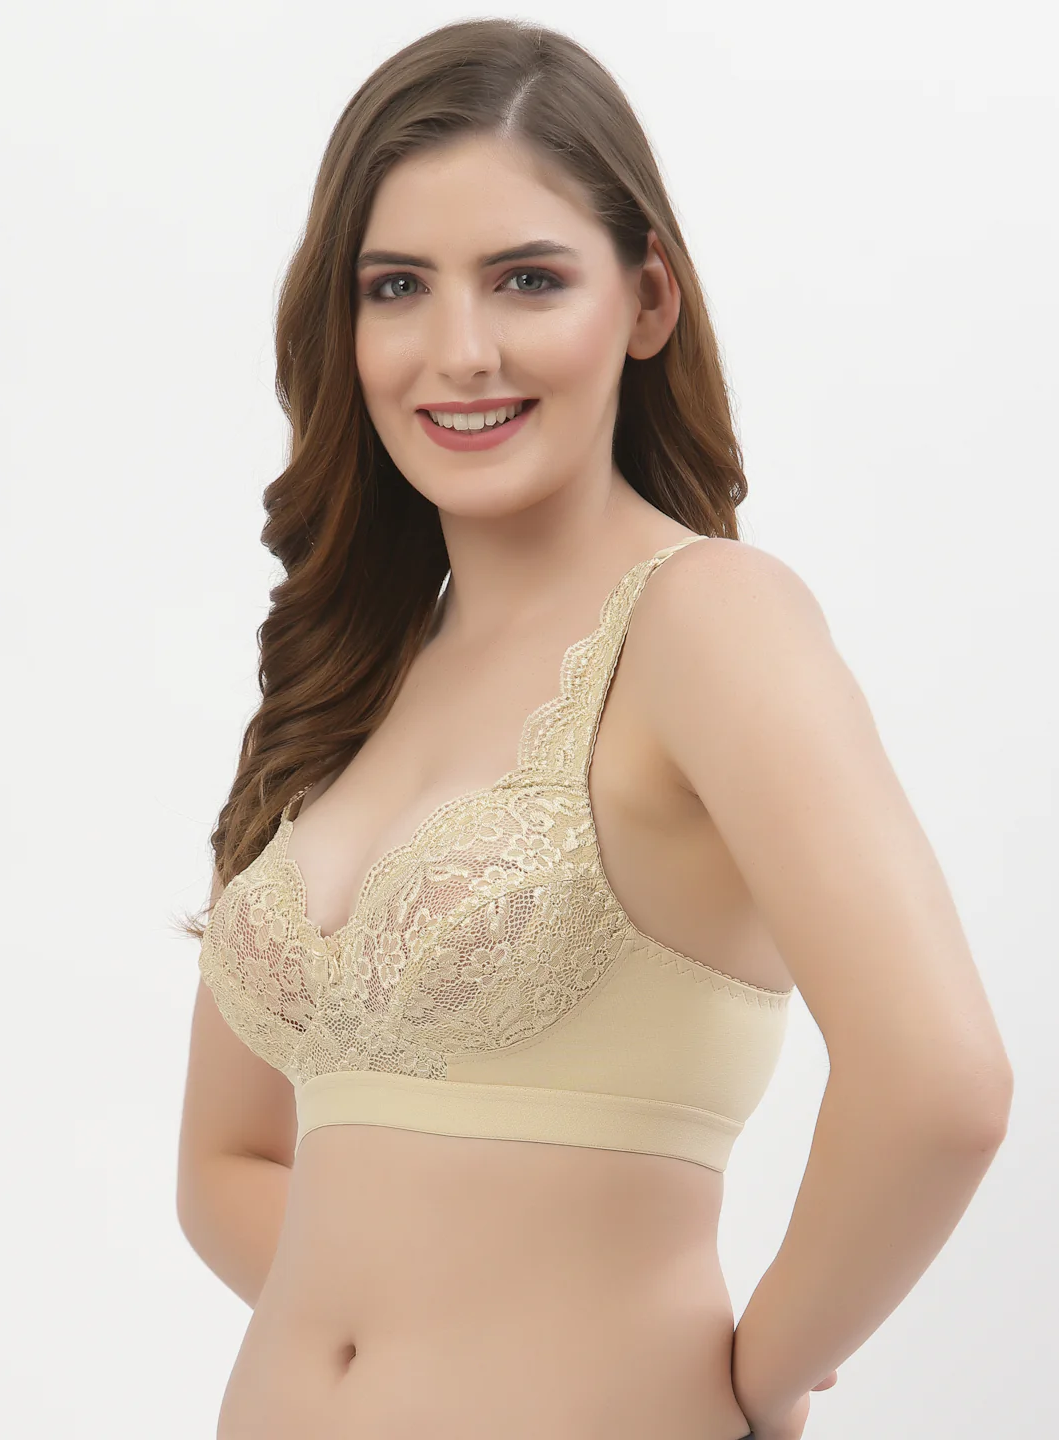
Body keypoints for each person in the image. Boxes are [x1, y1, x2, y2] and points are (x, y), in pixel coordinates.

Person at [174, 18, 1013, 1440]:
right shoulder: (347, 680)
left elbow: (944, 1088)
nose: (461, 351)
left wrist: (750, 1376)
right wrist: (404, 1334)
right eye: (396, 286)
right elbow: (226, 1162)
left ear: (647, 300)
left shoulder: (708, 623)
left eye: (528, 279)